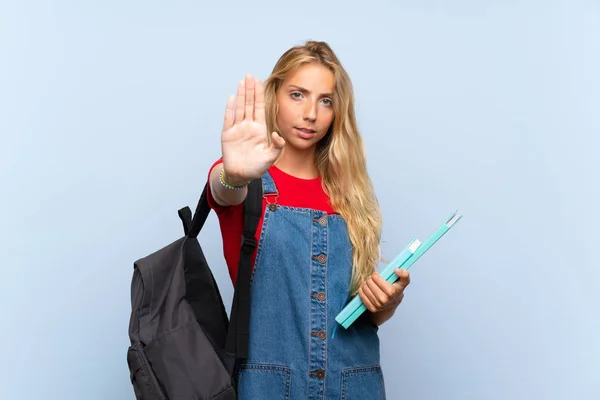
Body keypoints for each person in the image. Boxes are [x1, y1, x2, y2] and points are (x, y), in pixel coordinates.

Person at [205, 40, 411, 399]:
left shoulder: (353, 195)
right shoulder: (244, 180)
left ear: (336, 112)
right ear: (275, 97)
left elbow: (360, 315)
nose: (311, 114)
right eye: (298, 95)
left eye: (325, 100)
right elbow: (221, 189)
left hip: (353, 386)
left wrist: (385, 303)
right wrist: (234, 175)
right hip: (269, 387)